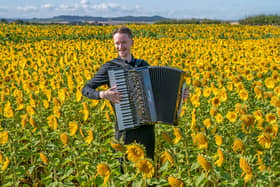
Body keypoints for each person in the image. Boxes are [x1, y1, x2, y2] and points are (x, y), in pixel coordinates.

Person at [82, 26, 188, 160]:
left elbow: (156, 94)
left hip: (147, 128)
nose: (120, 47)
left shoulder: (143, 65)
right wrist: (102, 94)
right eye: (117, 43)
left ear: (132, 42)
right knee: (122, 166)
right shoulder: (110, 67)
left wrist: (179, 96)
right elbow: (86, 89)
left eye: (123, 42)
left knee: (148, 164)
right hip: (125, 128)